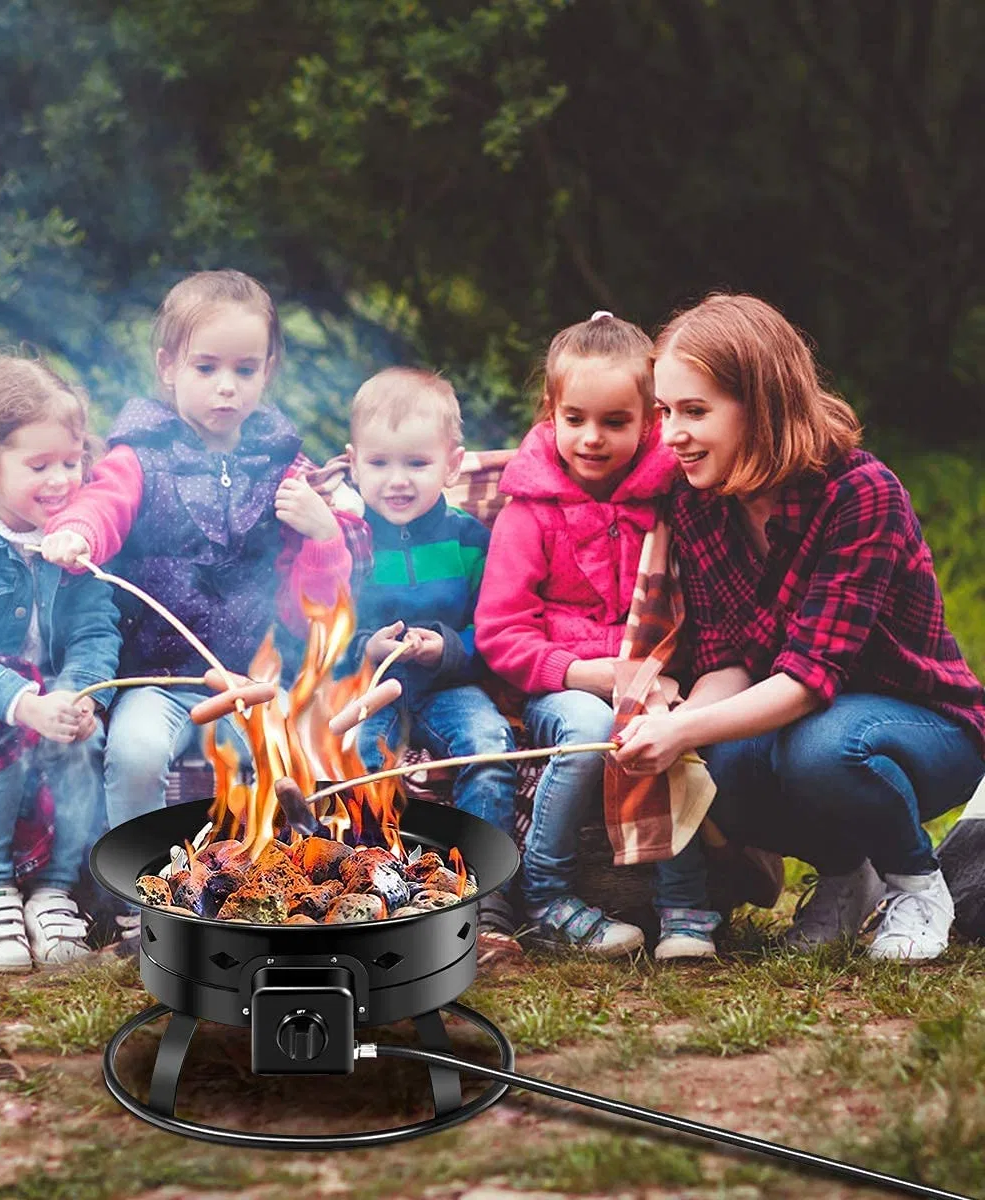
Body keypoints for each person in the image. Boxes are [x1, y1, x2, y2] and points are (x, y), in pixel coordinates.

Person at [614, 293, 985, 962]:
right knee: (717, 766)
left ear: (762, 404)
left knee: (819, 747)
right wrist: (675, 733)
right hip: (800, 723)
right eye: (665, 411)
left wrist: (681, 730)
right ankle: (847, 878)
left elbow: (809, 682)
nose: (671, 434)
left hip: (923, 726)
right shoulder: (696, 501)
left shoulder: (860, 493)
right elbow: (728, 659)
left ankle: (919, 884)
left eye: (695, 411)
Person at [38, 270, 365, 943]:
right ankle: (137, 903)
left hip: (252, 677)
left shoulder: (287, 468)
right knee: (132, 755)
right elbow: (104, 502)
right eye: (207, 366)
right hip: (158, 674)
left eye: (245, 369)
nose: (227, 386)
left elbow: (324, 600)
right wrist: (78, 532)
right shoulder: (140, 456)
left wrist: (324, 533)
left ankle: (275, 895)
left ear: (268, 371)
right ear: (167, 368)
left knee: (306, 759)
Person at [476, 313, 686, 960]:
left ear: (650, 420)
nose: (592, 439)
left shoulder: (668, 501)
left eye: (615, 423)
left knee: (675, 730)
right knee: (591, 728)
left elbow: (686, 605)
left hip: (648, 673)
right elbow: (500, 632)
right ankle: (544, 894)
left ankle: (688, 901)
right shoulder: (529, 513)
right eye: (575, 420)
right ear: (552, 412)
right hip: (556, 687)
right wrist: (582, 674)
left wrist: (664, 677)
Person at [0, 357, 123, 972]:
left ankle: (57, 893)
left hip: (55, 696)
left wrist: (84, 695)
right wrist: (22, 701)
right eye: (39, 466)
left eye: (71, 462)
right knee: (4, 737)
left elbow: (95, 630)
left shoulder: (74, 538)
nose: (62, 480)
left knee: (85, 743)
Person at [344, 367, 521, 956]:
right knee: (360, 757)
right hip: (373, 684)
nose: (397, 481)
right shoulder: (345, 543)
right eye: (380, 464)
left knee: (489, 741)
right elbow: (320, 630)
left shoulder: (471, 539)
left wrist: (448, 646)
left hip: (448, 683)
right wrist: (365, 645)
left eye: (417, 464)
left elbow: (493, 628)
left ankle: (482, 897)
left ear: (452, 464)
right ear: (353, 463)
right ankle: (375, 889)